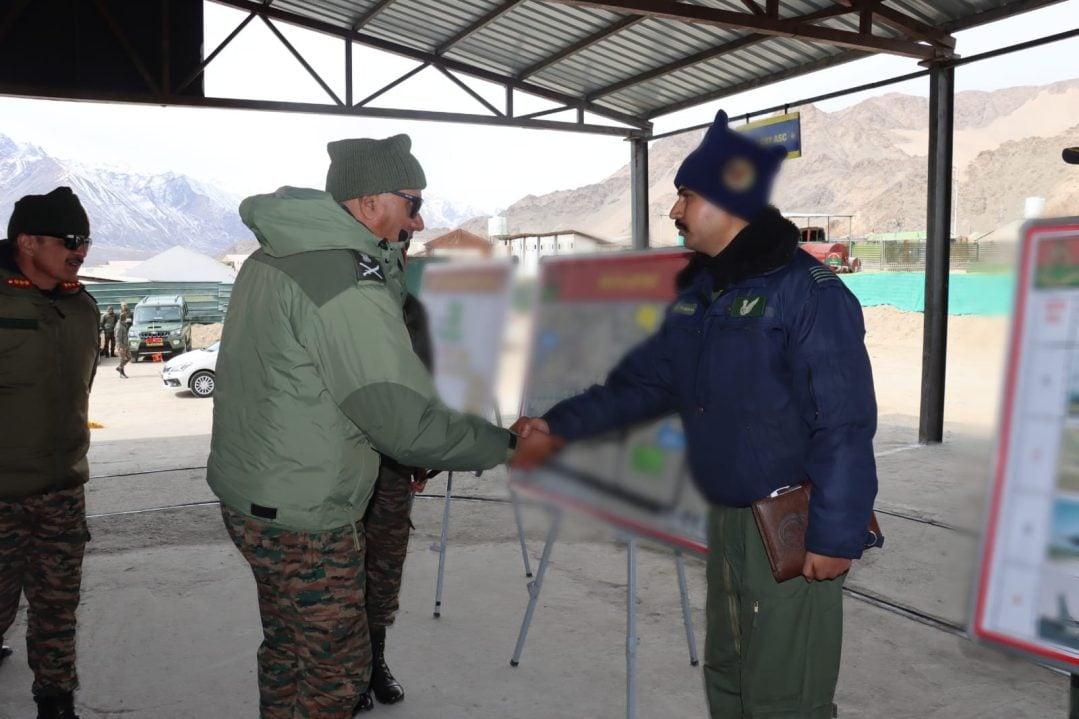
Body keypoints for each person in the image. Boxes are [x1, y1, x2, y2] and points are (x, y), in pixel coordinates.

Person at [511, 110, 878, 718]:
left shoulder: (807, 292)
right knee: (729, 673)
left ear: (727, 200)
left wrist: (835, 535)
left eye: (684, 195)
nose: (675, 211)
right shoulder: (701, 294)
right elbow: (647, 383)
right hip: (730, 519)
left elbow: (843, 422)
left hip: (793, 520)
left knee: (786, 693)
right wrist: (561, 421)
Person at [206, 134, 549, 719]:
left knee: (288, 647)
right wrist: (511, 446)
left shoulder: (276, 254)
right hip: (305, 506)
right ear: (368, 204)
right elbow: (402, 424)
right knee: (339, 675)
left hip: (257, 493)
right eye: (411, 201)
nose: (419, 217)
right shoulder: (342, 278)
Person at [0, 187, 99, 719]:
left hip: (62, 490)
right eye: (70, 239)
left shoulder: (82, 305)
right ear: (27, 241)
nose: (81, 249)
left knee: (58, 609)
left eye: (86, 239)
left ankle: (56, 703)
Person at [354, 289, 432, 713]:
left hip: (394, 465)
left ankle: (373, 664)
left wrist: (422, 455)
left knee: (384, 566)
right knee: (343, 568)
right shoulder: (345, 292)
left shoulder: (410, 306)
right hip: (343, 458)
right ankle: (350, 668)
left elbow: (429, 381)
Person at [114, 314, 132, 378]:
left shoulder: (123, 325)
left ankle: (119, 367)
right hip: (121, 346)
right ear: (122, 320)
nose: (126, 321)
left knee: (129, 357)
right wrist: (120, 347)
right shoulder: (119, 327)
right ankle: (121, 373)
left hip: (126, 345)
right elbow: (117, 338)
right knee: (122, 359)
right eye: (125, 320)